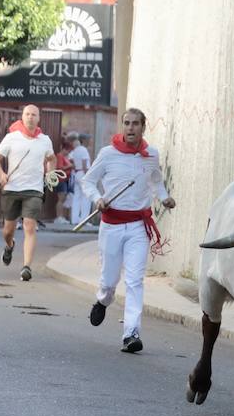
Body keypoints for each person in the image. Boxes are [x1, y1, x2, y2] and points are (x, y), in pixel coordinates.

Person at [82, 108, 174, 354]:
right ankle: (102, 300)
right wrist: (97, 198)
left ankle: (131, 333)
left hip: (137, 226)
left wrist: (164, 198)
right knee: (109, 280)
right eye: (126, 123)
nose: (130, 128)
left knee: (135, 280)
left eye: (135, 124)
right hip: (111, 225)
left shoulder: (151, 155)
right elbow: (88, 181)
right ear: (122, 126)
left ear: (143, 127)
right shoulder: (108, 154)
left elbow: (156, 181)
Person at [0, 104, 55, 282]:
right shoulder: (12, 138)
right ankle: (10, 245)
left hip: (34, 190)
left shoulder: (45, 140)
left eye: (34, 114)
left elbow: (51, 159)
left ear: (38, 118)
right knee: (7, 230)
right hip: (12, 189)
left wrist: (50, 172)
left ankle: (26, 267)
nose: (30, 117)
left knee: (29, 226)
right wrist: (2, 174)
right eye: (27, 114)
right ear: (22, 117)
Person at [69, 133, 93, 226]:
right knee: (86, 198)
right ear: (84, 140)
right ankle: (84, 220)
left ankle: (74, 219)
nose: (90, 142)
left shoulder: (76, 150)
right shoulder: (84, 150)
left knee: (76, 197)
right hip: (83, 174)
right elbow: (84, 165)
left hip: (77, 173)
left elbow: (73, 162)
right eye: (89, 140)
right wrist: (90, 177)